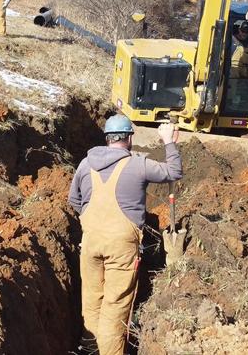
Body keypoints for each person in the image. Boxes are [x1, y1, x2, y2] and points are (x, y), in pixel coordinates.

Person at [69, 115, 182, 355]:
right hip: (121, 245)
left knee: (91, 298)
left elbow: (74, 200)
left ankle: (89, 348)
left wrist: (91, 219)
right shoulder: (137, 164)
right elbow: (173, 172)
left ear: (107, 139)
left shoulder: (85, 164)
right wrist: (168, 142)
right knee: (115, 305)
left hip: (90, 243)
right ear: (129, 138)